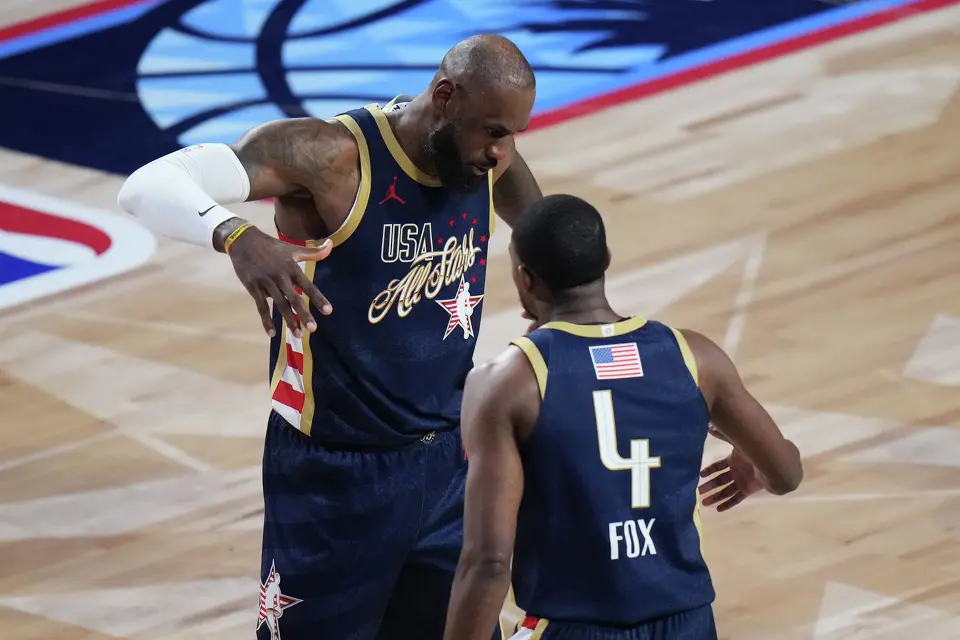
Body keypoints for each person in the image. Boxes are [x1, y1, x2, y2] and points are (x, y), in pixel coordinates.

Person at [117, 34, 543, 640]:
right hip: (333, 477)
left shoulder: (484, 157)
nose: (501, 151)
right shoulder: (326, 154)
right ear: (446, 98)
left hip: (448, 461)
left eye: (512, 135)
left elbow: (546, 231)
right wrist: (236, 236)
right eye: (493, 131)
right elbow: (145, 186)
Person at [443, 194, 803, 640]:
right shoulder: (695, 357)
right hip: (687, 623)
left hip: (574, 628)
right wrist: (753, 465)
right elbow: (786, 474)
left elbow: (489, 563)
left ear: (525, 278)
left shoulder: (508, 383)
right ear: (606, 260)